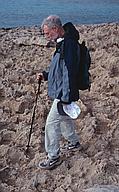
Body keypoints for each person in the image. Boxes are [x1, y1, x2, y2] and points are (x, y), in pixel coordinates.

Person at [37, 15, 81, 170]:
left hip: (65, 93)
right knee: (64, 119)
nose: (46, 37)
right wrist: (46, 74)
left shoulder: (68, 45)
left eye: (47, 33)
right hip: (64, 92)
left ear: (55, 29)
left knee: (51, 124)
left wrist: (66, 97)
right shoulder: (62, 42)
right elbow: (59, 68)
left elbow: (69, 72)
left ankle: (53, 157)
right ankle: (74, 143)